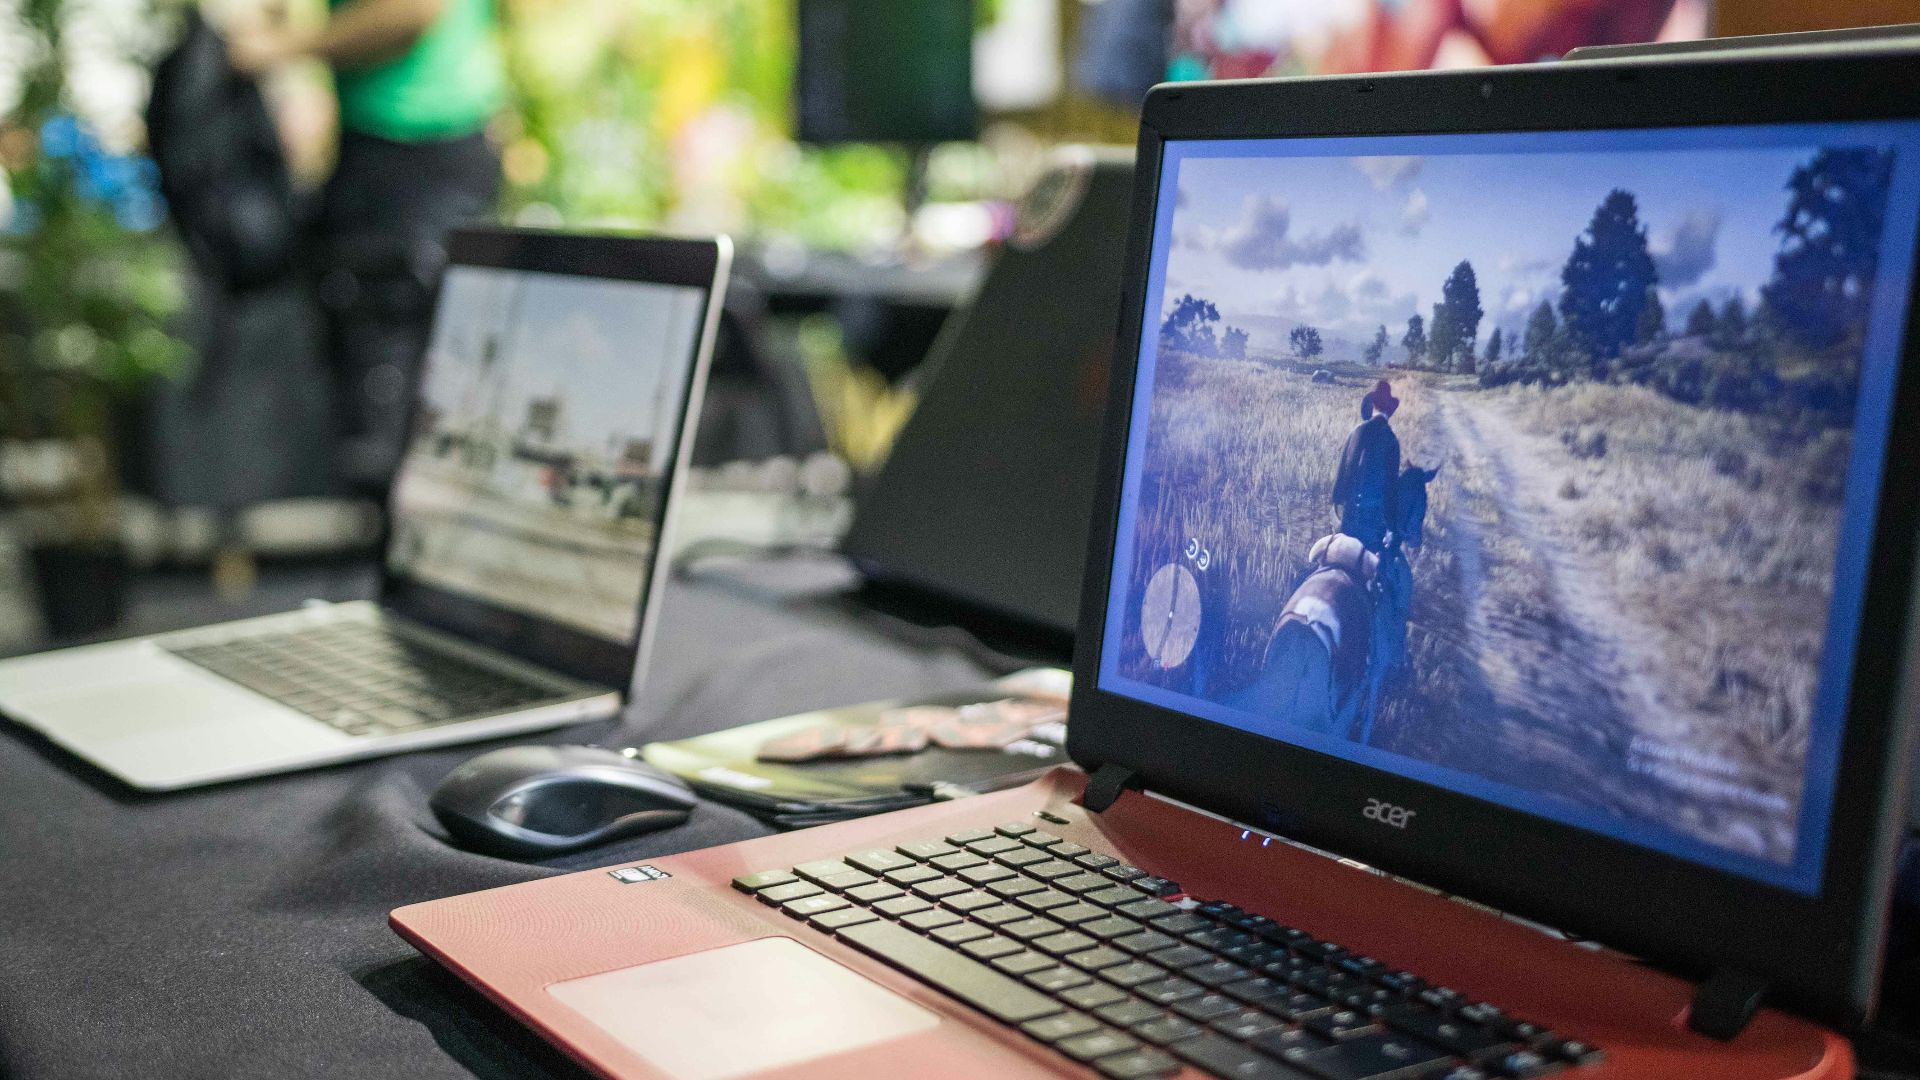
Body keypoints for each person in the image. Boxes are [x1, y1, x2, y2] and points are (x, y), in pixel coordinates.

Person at [230, 0, 505, 495]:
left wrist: (283, 51)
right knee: (369, 396)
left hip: (424, 149)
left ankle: (407, 549)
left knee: (403, 400)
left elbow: (410, 11)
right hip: (378, 151)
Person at [1330, 379, 1402, 551]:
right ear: (1389, 411)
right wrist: (1391, 526)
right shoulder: (1392, 440)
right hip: (1373, 520)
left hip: (1349, 517)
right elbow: (1391, 487)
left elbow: (1343, 471)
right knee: (1377, 570)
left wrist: (1337, 504)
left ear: (1373, 405)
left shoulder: (1357, 431)